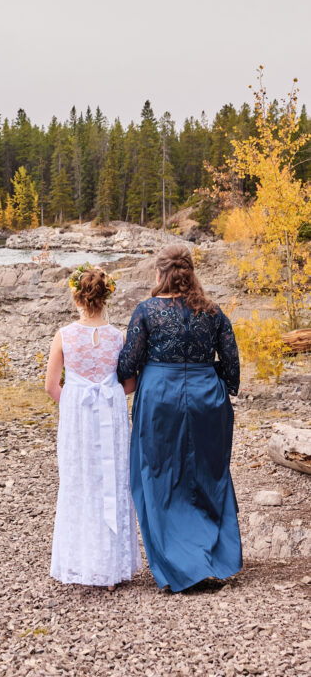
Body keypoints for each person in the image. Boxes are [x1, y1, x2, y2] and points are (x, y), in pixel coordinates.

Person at [117, 243, 242, 593]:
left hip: (160, 399)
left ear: (159, 275)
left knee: (158, 476)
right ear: (190, 275)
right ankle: (210, 558)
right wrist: (208, 374)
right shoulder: (214, 312)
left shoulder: (146, 311)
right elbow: (232, 371)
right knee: (207, 475)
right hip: (206, 399)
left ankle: (178, 564)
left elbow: (127, 365)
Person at [46, 264, 141, 589]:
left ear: (77, 297)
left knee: (78, 482)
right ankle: (110, 568)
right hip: (110, 417)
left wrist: (74, 402)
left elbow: (50, 385)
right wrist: (105, 395)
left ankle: (79, 564)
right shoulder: (119, 336)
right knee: (110, 481)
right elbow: (129, 384)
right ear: (105, 298)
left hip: (78, 419)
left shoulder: (64, 335)